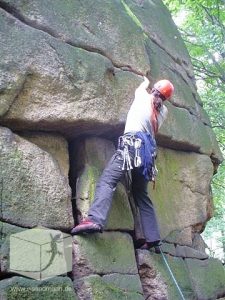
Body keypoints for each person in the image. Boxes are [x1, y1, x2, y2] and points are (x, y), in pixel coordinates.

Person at [71, 76, 174, 253]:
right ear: (166, 98)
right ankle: (153, 238)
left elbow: (143, 86)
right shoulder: (163, 112)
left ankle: (95, 220)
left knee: (108, 181)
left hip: (132, 145)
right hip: (148, 155)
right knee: (141, 194)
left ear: (154, 89)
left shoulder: (142, 95)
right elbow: (157, 102)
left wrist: (145, 80)